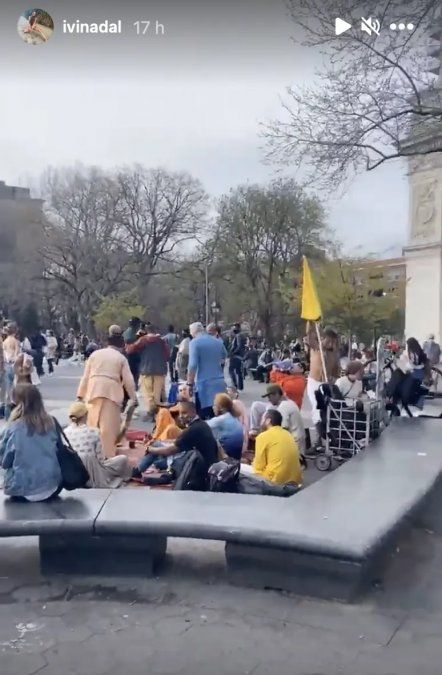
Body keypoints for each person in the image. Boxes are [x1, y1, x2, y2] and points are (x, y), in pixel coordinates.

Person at [77, 326, 137, 458]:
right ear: (121, 345)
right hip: (111, 392)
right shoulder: (121, 358)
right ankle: (107, 457)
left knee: (92, 425)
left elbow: (85, 376)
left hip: (93, 391)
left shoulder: (95, 354)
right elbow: (129, 380)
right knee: (108, 430)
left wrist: (80, 395)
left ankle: (91, 456)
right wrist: (133, 397)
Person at [0, 384, 62, 501]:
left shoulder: (14, 427)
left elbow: (4, 462)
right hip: (52, 486)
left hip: (22, 489)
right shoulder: (51, 423)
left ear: (18, 405)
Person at [135, 400, 219, 481]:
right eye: (180, 413)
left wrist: (149, 449)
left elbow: (169, 451)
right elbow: (178, 442)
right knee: (157, 445)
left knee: (157, 455)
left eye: (184, 413)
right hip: (203, 464)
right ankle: (139, 470)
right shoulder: (201, 424)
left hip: (196, 468)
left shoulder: (192, 429)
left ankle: (137, 471)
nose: (181, 416)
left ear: (193, 412)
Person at [64, 401, 131, 488]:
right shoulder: (94, 431)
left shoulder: (65, 432)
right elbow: (100, 459)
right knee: (123, 459)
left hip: (73, 472)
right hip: (93, 473)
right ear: (85, 415)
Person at [125, 325, 169, 421]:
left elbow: (130, 350)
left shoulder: (143, 340)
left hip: (146, 369)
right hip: (160, 369)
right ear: (155, 330)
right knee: (157, 393)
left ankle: (151, 411)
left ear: (146, 331)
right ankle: (157, 412)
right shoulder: (161, 341)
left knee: (148, 392)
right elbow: (167, 354)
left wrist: (137, 337)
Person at [187, 322, 227, 420]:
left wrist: (189, 383)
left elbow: (192, 365)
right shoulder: (217, 341)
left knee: (204, 416)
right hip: (219, 383)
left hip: (204, 384)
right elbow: (224, 355)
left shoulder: (194, 342)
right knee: (219, 415)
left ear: (193, 332)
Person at [249, 384, 305, 453]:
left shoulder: (283, 407)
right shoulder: (289, 402)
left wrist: (263, 437)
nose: (268, 399)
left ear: (277, 395)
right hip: (294, 441)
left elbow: (282, 431)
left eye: (270, 397)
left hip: (295, 445)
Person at [251, 409, 302, 486]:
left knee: (243, 470)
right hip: (295, 480)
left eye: (262, 419)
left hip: (274, 482)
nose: (260, 422)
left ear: (268, 421)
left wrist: (252, 463)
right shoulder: (288, 434)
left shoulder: (262, 437)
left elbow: (258, 468)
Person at [305, 323, 340, 428]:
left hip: (326, 384)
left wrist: (333, 379)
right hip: (314, 382)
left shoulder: (334, 353)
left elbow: (336, 371)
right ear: (324, 338)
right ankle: (319, 433)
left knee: (326, 408)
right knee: (317, 406)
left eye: (333, 341)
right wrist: (310, 322)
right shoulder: (316, 347)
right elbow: (309, 335)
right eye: (329, 340)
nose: (330, 343)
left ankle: (325, 431)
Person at [207, 392, 244, 460]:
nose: (213, 407)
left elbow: (201, 426)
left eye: (215, 405)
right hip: (237, 454)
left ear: (221, 408)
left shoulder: (221, 419)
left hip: (227, 455)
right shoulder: (233, 416)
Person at [2, 323, 19, 418]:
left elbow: (4, 355)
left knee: (8, 390)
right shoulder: (15, 341)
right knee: (16, 389)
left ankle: (7, 413)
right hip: (14, 365)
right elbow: (16, 354)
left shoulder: (5, 342)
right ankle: (15, 413)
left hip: (6, 365)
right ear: (15, 331)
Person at [227, 385, 249, 453]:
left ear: (235, 393)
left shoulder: (235, 403)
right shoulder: (238, 403)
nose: (227, 392)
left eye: (228, 391)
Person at [228, 323, 246, 391]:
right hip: (240, 355)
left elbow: (239, 346)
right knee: (238, 371)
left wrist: (233, 352)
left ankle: (235, 384)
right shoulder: (241, 335)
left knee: (231, 370)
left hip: (235, 355)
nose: (233, 329)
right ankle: (240, 386)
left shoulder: (238, 335)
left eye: (234, 327)